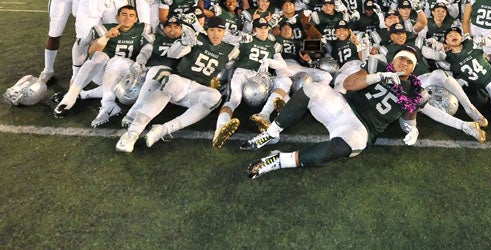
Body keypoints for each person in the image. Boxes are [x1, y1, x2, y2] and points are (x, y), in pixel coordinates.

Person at [241, 47, 425, 179]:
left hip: (361, 128)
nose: (404, 63)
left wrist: (412, 129)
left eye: (409, 62)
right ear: (394, 59)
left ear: (414, 67)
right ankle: (271, 134)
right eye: (401, 58)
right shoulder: (377, 66)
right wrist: (377, 77)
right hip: (342, 105)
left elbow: (408, 119)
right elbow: (348, 84)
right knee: (312, 89)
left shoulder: (417, 92)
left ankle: (279, 160)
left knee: (337, 149)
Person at [116, 16, 238, 153]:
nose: (216, 34)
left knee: (215, 96)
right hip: (181, 82)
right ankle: (132, 133)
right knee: (172, 81)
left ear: (224, 32)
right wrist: (184, 43)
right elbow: (173, 54)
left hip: (198, 90)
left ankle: (163, 130)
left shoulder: (230, 50)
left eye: (219, 31)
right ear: (206, 30)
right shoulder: (196, 37)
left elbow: (230, 68)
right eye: (212, 30)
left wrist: (226, 86)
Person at [53, 5, 154, 127]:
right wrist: (105, 37)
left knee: (117, 67)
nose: (127, 18)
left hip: (127, 74)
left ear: (136, 19)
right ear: (117, 17)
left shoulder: (143, 29)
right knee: (100, 56)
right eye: (124, 14)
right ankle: (71, 97)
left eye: (131, 15)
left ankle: (82, 96)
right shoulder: (104, 29)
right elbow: (92, 52)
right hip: (103, 73)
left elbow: (148, 49)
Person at [212, 17, 292, 147]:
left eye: (265, 27)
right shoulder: (246, 39)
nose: (263, 31)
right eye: (260, 28)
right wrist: (238, 39)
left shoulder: (273, 46)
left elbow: (283, 65)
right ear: (254, 30)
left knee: (286, 81)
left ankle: (264, 115)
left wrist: (269, 61)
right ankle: (220, 129)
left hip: (261, 77)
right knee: (234, 99)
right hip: (243, 73)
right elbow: (226, 38)